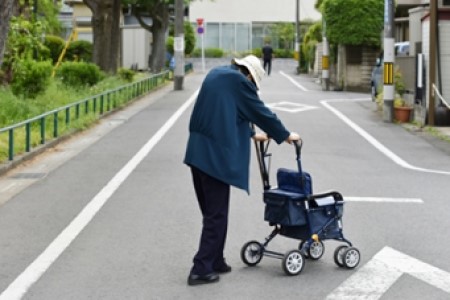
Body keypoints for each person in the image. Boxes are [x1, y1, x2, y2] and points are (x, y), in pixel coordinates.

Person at [184, 55, 300, 286]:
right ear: (249, 75)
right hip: (214, 158)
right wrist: (285, 135)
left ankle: (216, 260)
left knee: (212, 212)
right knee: (216, 215)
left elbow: (224, 113)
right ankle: (201, 268)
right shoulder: (240, 83)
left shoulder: (217, 75)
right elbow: (259, 111)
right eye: (253, 83)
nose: (251, 86)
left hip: (197, 153)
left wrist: (250, 134)